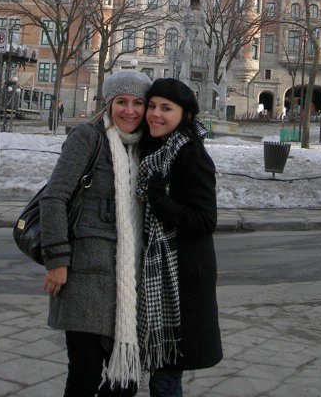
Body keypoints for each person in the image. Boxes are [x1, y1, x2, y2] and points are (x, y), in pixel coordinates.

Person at [40, 70, 153, 397]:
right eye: (121, 102)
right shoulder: (88, 137)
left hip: (128, 283)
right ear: (109, 104)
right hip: (85, 279)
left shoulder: (144, 146)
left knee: (124, 384)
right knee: (84, 376)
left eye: (137, 103)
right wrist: (57, 260)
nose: (129, 111)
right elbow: (54, 197)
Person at [136, 78, 222, 397]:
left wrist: (161, 202)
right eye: (152, 106)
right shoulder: (155, 150)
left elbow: (205, 221)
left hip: (181, 278)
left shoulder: (190, 154)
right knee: (163, 373)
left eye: (166, 108)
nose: (155, 114)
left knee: (165, 377)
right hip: (161, 271)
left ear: (185, 115)